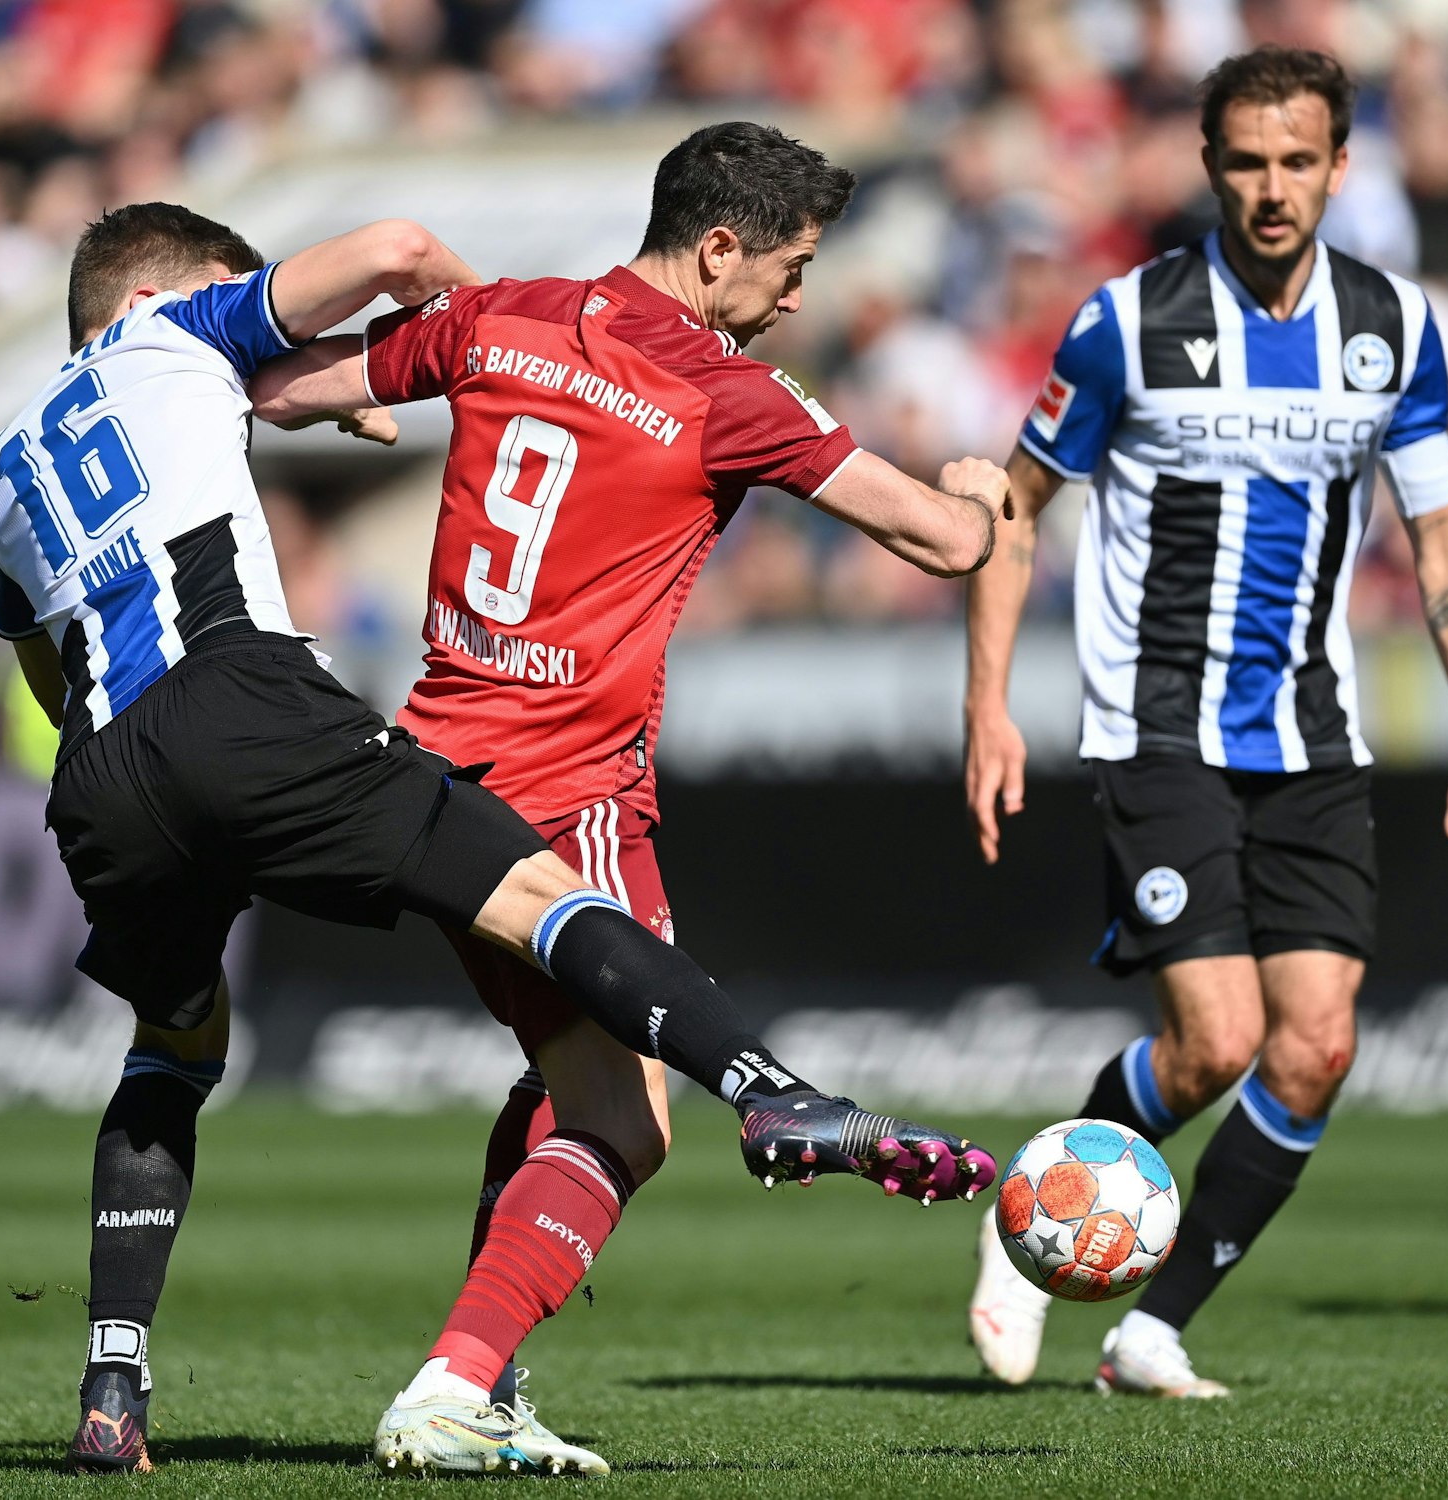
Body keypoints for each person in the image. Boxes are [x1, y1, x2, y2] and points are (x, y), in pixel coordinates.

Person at [0, 201, 1000, 1476]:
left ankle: (113, 1381)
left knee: (176, 1048)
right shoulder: (176, 333)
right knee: (539, 899)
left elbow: (36, 656)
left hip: (101, 770)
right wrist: (475, 320)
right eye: (241, 293)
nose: (256, 320)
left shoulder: (4, 455)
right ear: (153, 298)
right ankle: (773, 1094)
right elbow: (397, 247)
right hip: (249, 701)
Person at [254, 120, 1015, 1475]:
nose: (797, 298)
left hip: (429, 781)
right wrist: (982, 492)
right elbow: (945, 542)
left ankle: (474, 1372)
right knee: (629, 1119)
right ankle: (457, 1379)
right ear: (719, 248)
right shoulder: (737, 394)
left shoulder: (497, 317)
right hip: (570, 796)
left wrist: (373, 398)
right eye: (790, 267)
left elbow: (283, 397)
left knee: (572, 1087)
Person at [960, 46, 1448, 1396]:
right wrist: (985, 709)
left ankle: (1150, 1332)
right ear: (1210, 166)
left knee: (1317, 1047)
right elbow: (1009, 511)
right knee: (1214, 1042)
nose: (1274, 190)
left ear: (1339, 165)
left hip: (1315, 737)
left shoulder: (1393, 326)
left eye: (1299, 161)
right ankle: (1029, 1224)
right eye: (1249, 162)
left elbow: (1443, 540)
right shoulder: (1124, 321)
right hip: (1160, 727)